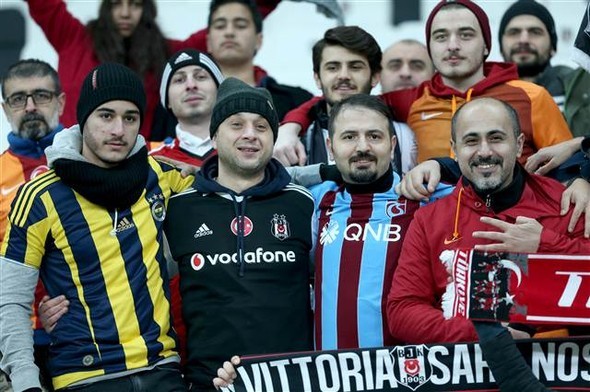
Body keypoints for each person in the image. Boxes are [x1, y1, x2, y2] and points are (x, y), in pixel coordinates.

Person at [0, 63, 193, 391]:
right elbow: (10, 300)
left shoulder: (160, 174)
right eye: (106, 116)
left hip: (163, 369)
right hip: (84, 376)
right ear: (82, 118)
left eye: (130, 118)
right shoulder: (39, 195)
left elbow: (233, 182)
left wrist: (310, 172)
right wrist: (25, 383)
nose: (118, 129)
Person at [386, 97, 590, 345]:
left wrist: (546, 244)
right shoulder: (430, 219)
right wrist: (488, 333)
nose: (484, 152)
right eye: (471, 141)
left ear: (518, 145)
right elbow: (402, 311)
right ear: (455, 149)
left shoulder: (568, 203)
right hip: (467, 378)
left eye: (496, 138)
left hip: (555, 376)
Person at [277, 0, 572, 165]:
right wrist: (290, 127)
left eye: (466, 35)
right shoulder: (414, 99)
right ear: (430, 46)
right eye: (441, 36)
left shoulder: (532, 96)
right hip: (439, 241)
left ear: (486, 45)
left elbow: (566, 164)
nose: (453, 45)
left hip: (516, 231)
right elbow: (343, 101)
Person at [163, 77, 314, 391]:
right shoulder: (180, 208)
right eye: (236, 124)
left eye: (261, 127)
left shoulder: (302, 202)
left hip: (293, 382)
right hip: (207, 383)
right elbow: (146, 287)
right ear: (215, 137)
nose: (250, 134)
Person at [309, 94, 450, 350]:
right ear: (330, 147)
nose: (362, 147)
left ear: (393, 144)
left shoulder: (426, 194)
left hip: (407, 376)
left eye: (374, 136)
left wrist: (442, 164)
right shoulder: (315, 200)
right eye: (349, 137)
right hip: (334, 376)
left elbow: (488, 182)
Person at [24, 0, 279, 140]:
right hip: (74, 156)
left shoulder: (162, 52)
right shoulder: (74, 38)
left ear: (146, 10)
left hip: (137, 166)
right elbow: (43, 5)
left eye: (134, 4)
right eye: (116, 4)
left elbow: (221, 32)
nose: (125, 13)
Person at [0, 59, 66, 391]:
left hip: (92, 334)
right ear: (4, 107)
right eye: (18, 99)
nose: (30, 107)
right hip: (17, 342)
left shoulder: (92, 162)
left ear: (61, 101)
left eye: (41, 95)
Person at [273, 26, 417, 174]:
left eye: (355, 67)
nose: (343, 75)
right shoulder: (291, 141)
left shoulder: (407, 136)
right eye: (333, 67)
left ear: (375, 76)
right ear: (317, 78)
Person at [206, 0, 312, 122]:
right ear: (208, 42)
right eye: (220, 26)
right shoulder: (189, 101)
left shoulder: (298, 102)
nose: (229, 32)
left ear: (258, 40)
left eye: (240, 25)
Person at [498, 0, 590, 137]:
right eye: (514, 32)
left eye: (535, 32)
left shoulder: (580, 85)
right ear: (500, 45)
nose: (524, 39)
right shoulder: (485, 93)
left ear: (553, 46)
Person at [151, 49, 224, 166]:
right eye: (179, 80)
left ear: (220, 91)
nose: (191, 85)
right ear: (167, 100)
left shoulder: (244, 149)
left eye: (200, 77)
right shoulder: (151, 158)